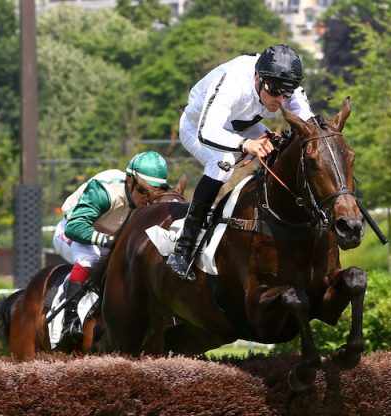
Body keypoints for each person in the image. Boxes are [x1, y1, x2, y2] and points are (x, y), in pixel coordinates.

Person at [166, 44, 314, 281]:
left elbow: (310, 127)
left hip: (243, 124)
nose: (280, 100)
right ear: (258, 78)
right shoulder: (232, 82)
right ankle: (184, 246)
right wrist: (244, 145)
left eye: (286, 94)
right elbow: (208, 131)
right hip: (198, 127)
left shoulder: (284, 85)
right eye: (275, 92)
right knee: (222, 162)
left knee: (281, 151)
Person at [53, 151, 168, 345]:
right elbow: (75, 227)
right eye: (143, 191)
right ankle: (70, 320)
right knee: (90, 259)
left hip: (105, 237)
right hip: (71, 231)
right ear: (130, 181)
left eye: (154, 192)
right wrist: (108, 239)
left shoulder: (142, 197)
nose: (148, 199)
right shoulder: (105, 191)